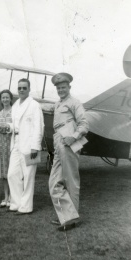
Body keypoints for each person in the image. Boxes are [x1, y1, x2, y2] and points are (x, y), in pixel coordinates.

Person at [42, 73, 89, 231]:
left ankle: (71, 219)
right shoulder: (57, 104)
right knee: (54, 183)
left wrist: (73, 137)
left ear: (69, 87)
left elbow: (84, 125)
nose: (61, 90)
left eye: (63, 87)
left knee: (71, 181)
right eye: (58, 88)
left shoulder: (75, 103)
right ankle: (68, 216)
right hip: (58, 142)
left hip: (69, 143)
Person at [0, 78, 44, 215]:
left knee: (28, 175)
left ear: (29, 89)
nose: (21, 90)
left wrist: (35, 146)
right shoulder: (15, 106)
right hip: (16, 142)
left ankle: (26, 207)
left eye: (24, 88)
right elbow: (16, 126)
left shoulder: (34, 105)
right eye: (19, 88)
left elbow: (39, 126)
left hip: (29, 144)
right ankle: (16, 203)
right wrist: (8, 127)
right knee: (12, 174)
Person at [0, 90, 13, 208]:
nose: (5, 99)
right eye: (3, 97)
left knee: (12, 170)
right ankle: (6, 196)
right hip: (1, 142)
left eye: (7, 97)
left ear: (11, 98)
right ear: (1, 99)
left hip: (11, 141)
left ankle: (12, 196)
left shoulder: (15, 112)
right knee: (4, 170)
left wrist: (6, 127)